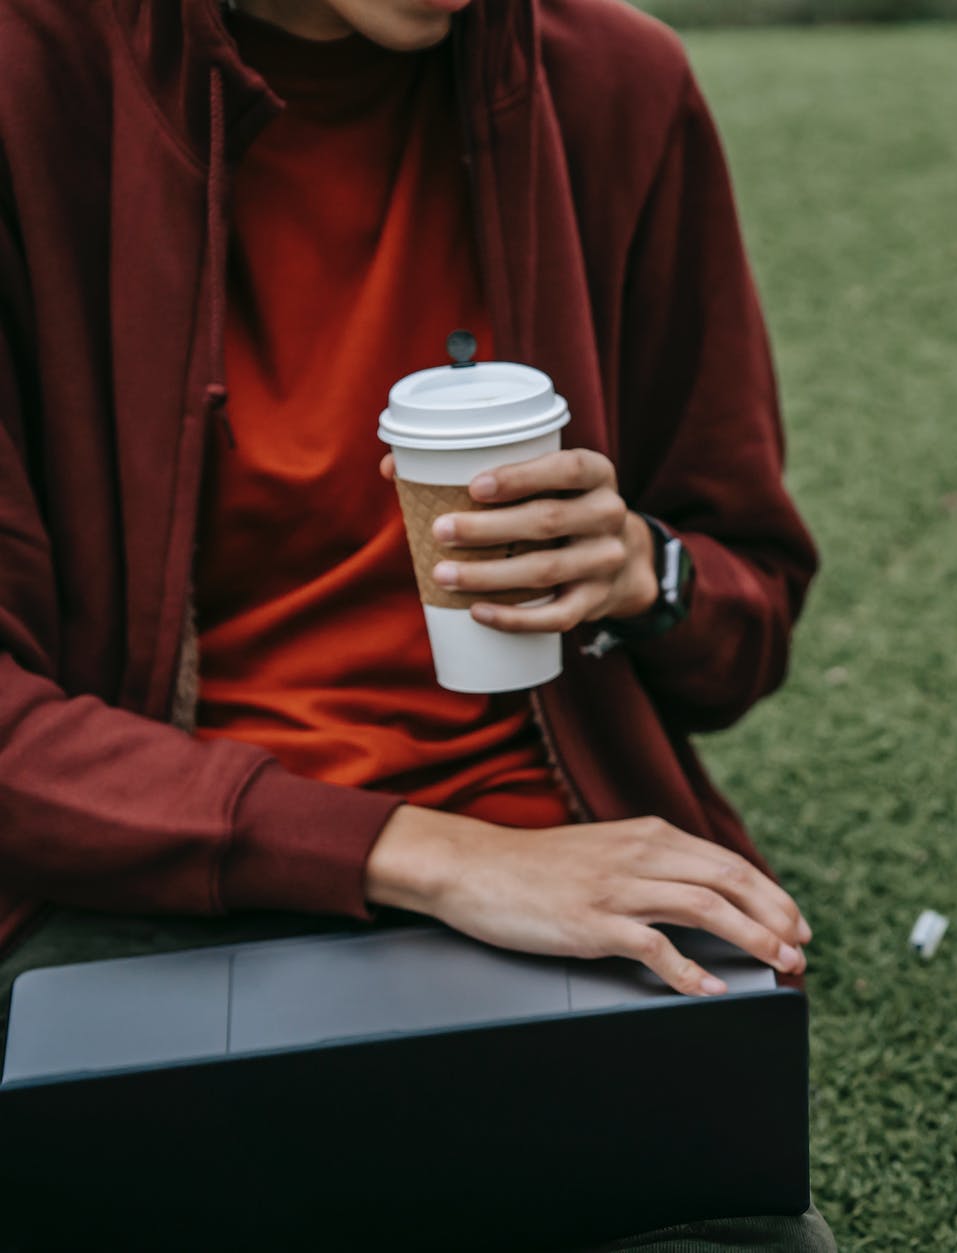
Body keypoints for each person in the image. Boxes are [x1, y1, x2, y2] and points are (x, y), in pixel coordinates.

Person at [0, 0, 830, 1246]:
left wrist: (644, 571)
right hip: (145, 870)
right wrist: (436, 857)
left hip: (560, 860)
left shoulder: (617, 84)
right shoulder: (30, 78)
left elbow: (746, 611)